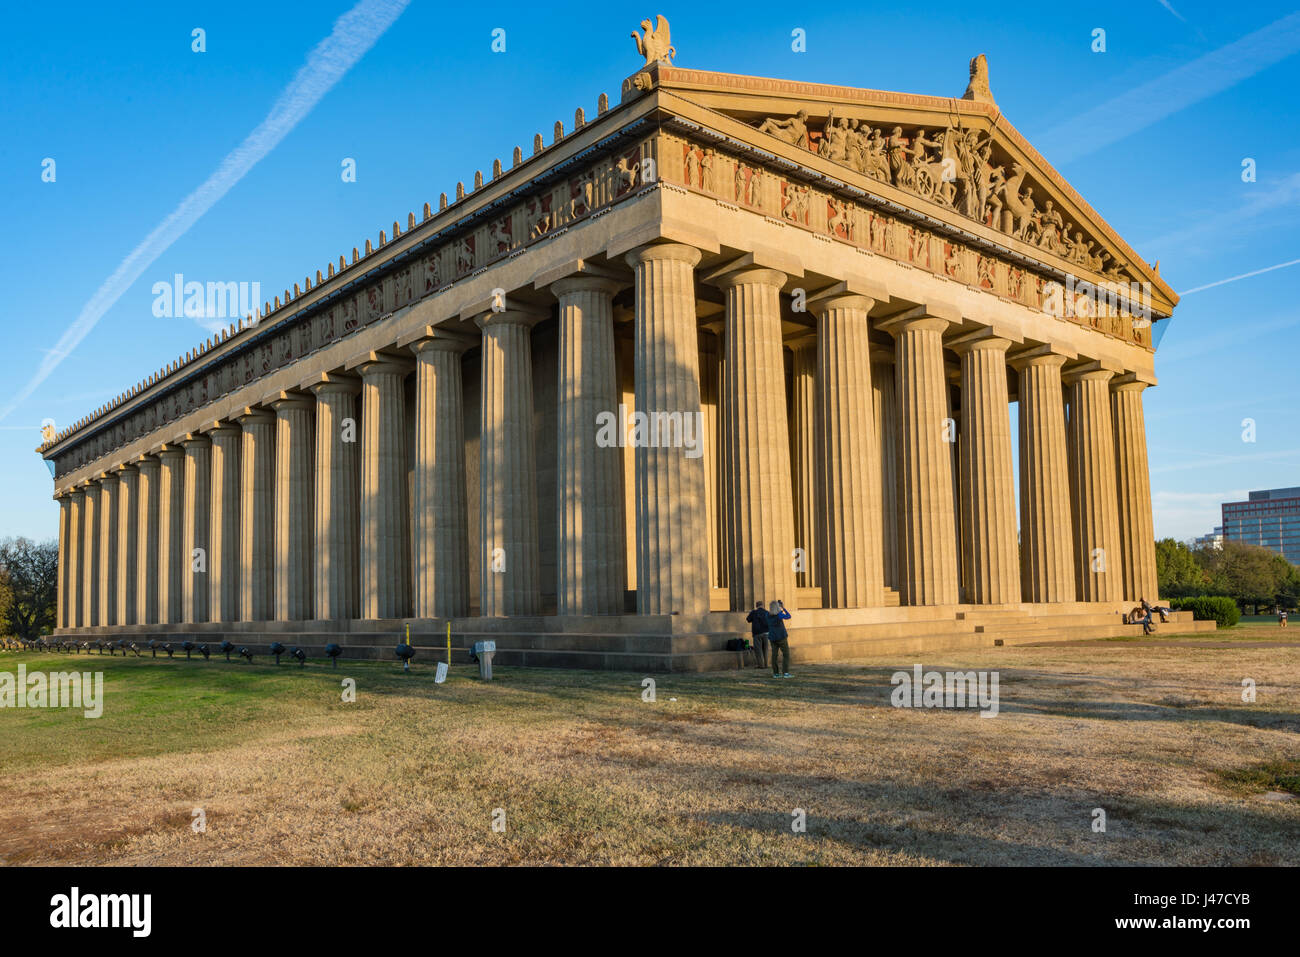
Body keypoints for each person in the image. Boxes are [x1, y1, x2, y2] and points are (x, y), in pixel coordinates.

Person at [768, 599, 792, 677]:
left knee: (774, 655)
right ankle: (785, 672)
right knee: (786, 654)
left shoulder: (767, 615)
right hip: (781, 637)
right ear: (777, 607)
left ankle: (776, 673)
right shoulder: (779, 615)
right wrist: (783, 608)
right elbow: (788, 616)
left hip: (772, 637)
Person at [745, 601, 771, 669]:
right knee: (765, 649)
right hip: (766, 633)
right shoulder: (767, 612)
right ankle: (766, 664)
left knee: (758, 650)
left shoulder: (754, 612)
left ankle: (761, 665)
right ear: (763, 605)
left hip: (757, 633)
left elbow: (748, 620)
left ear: (756, 606)